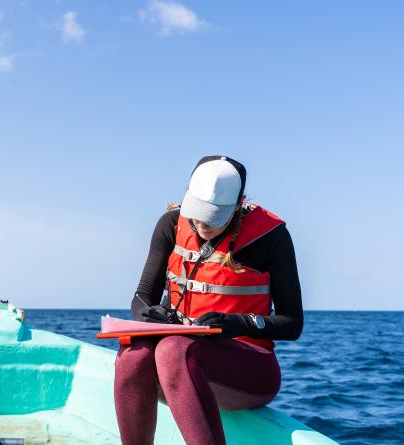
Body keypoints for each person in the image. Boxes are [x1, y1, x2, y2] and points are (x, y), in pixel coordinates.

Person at [114, 155, 303, 445]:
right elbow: (141, 297)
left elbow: (292, 323)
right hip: (178, 367)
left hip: (248, 371)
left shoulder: (272, 237)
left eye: (214, 216)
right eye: (198, 212)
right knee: (133, 355)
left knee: (174, 350)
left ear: (238, 204)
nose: (203, 224)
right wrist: (146, 314)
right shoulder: (170, 224)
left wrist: (240, 323)